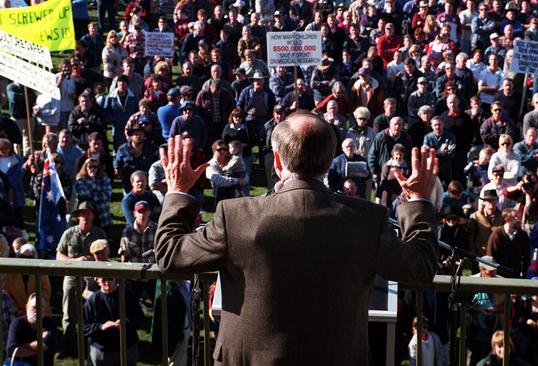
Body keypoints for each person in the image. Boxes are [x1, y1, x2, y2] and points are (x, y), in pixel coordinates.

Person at [155, 112, 438, 364]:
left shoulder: (236, 215)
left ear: (276, 160)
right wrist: (419, 202)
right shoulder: (367, 219)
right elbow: (421, 267)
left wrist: (178, 191)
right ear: (329, 161)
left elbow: (170, 255)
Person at [55, 201, 106, 358]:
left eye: (88, 213)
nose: (85, 216)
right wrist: (76, 261)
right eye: (82, 214)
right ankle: (66, 345)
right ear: (78, 217)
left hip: (93, 279)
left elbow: (105, 256)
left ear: (93, 216)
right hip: (72, 276)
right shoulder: (69, 233)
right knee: (69, 314)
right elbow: (59, 255)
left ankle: (89, 345)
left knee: (92, 313)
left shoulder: (99, 233)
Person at [83, 276, 143, 366]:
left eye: (110, 279)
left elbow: (140, 319)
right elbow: (84, 327)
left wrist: (126, 323)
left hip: (127, 347)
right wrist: (101, 326)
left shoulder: (127, 295)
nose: (107, 282)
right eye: (103, 280)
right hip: (102, 350)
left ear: (116, 279)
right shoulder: (92, 300)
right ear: (97, 281)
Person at [6, 293, 59, 366]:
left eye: (41, 307)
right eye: (34, 307)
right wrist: (40, 347)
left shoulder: (49, 323)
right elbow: (12, 351)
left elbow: (47, 344)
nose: (37, 310)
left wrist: (23, 345)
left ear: (45, 310)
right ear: (27, 307)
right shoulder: (17, 324)